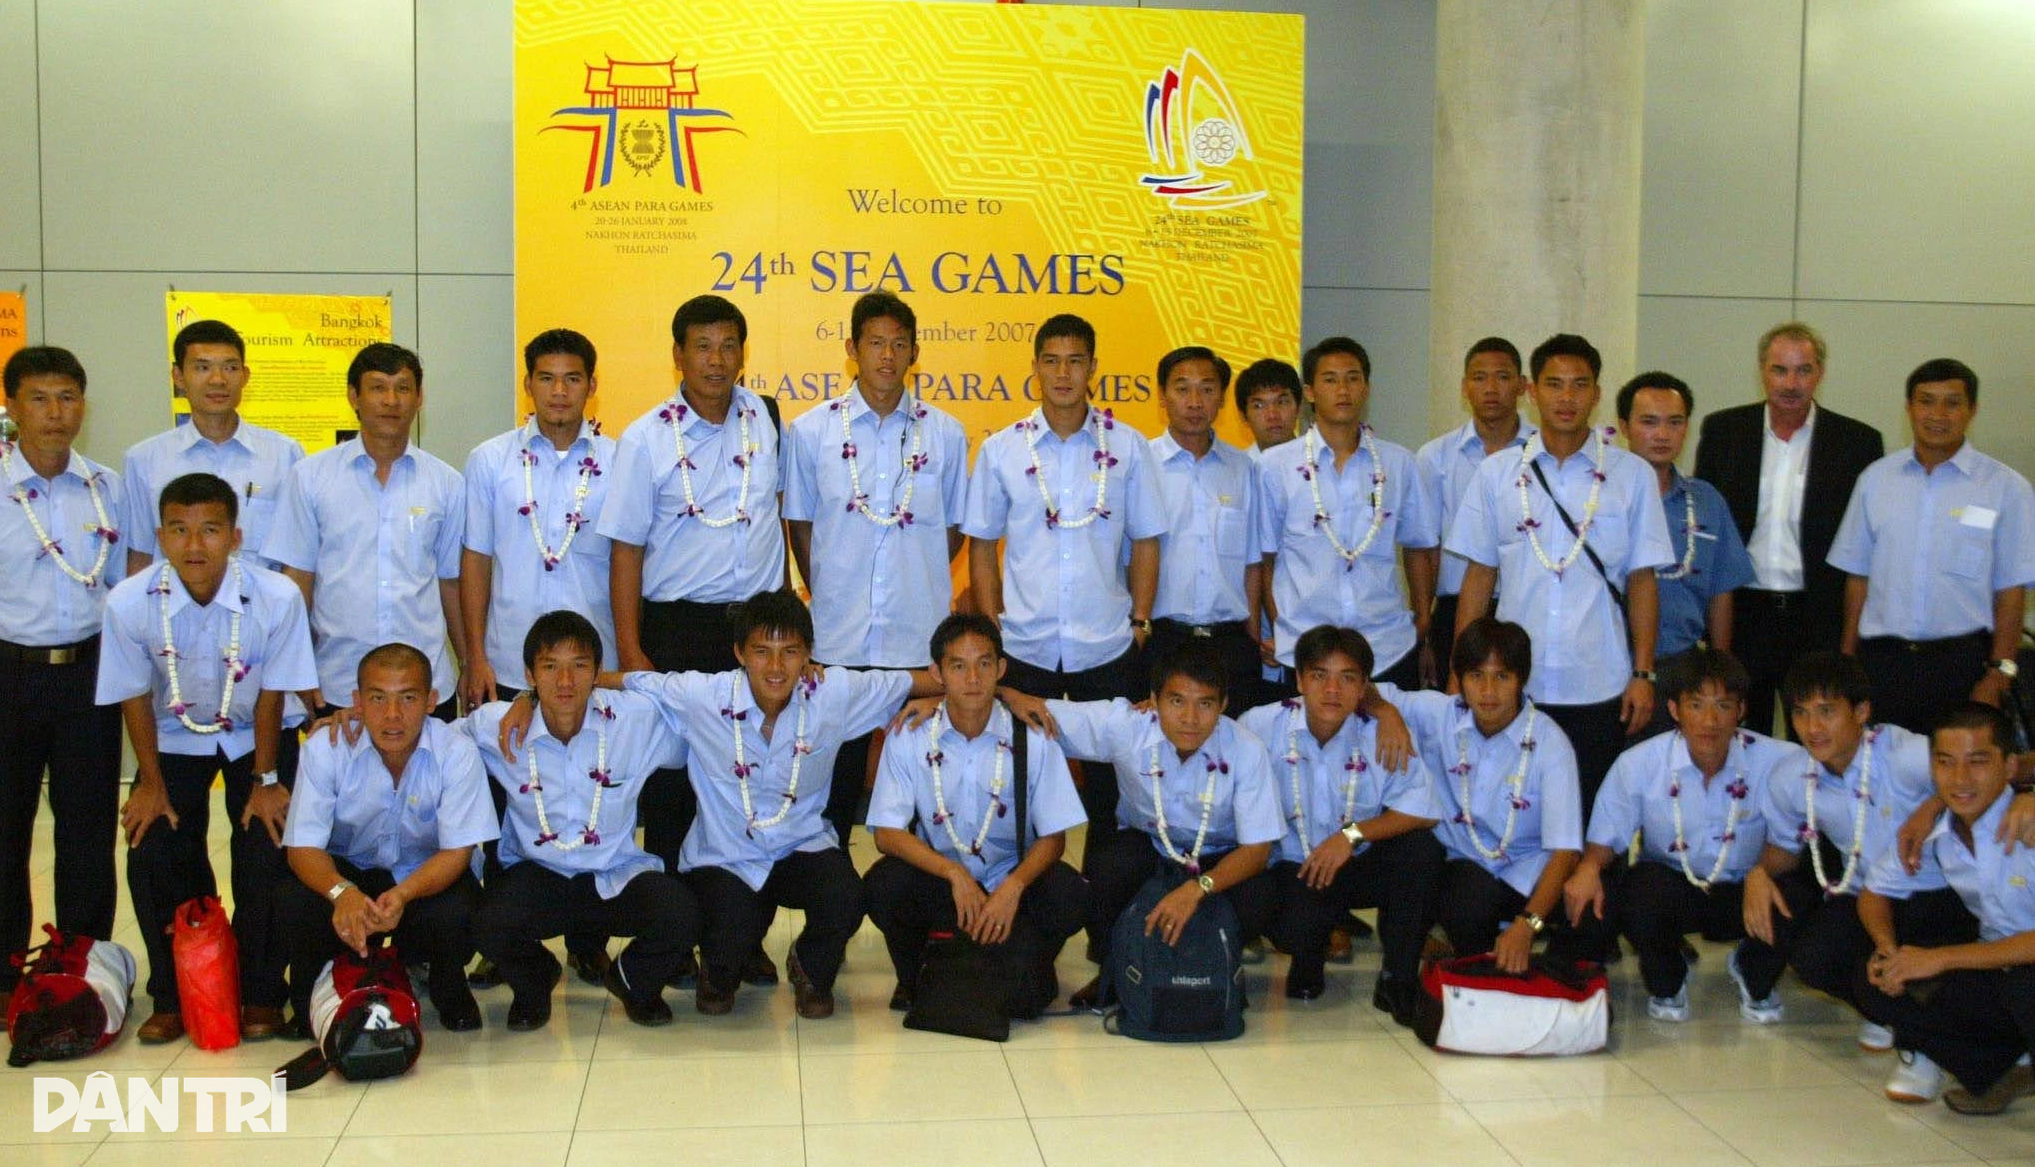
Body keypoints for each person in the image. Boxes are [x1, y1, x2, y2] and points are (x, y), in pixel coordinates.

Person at [527, 591, 937, 1018]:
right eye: (761, 652)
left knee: (846, 896)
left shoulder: (833, 691)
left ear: (808, 655)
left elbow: (927, 681)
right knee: (726, 950)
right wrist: (528, 699)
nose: (775, 667)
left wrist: (944, 699)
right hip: (725, 855)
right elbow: (620, 681)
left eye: (789, 652)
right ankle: (718, 971)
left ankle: (811, 968)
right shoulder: (702, 694)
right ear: (739, 652)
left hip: (802, 844)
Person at [100, 472, 320, 1043]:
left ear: (236, 536)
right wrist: (150, 783)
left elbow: (272, 694)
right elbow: (133, 695)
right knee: (153, 844)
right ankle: (176, 992)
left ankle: (261, 992)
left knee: (269, 845)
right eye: (179, 530)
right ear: (160, 537)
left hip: (256, 735)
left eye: (210, 530)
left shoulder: (276, 597)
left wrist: (266, 780)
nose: (195, 545)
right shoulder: (129, 602)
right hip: (172, 737)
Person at [963, 313, 1166, 928]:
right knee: (1019, 792)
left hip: (1107, 647)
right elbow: (982, 547)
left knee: (1110, 801)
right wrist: (993, 631)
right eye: (1050, 360)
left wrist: (1140, 621)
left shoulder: (1128, 448)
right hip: (1024, 649)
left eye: (1075, 360)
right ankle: (1026, 927)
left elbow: (1147, 541)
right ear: (1034, 369)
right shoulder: (1002, 450)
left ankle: (1106, 932)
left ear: (1093, 368)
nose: (1062, 373)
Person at [597, 295, 785, 888]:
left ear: (743, 354)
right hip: (676, 630)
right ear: (678, 355)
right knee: (673, 784)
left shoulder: (768, 419)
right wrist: (631, 652)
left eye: (728, 346)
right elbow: (625, 552)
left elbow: (778, 519)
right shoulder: (645, 438)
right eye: (702, 347)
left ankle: (737, 914)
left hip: (753, 630)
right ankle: (673, 917)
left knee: (745, 775)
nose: (716, 360)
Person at [1448, 333, 1674, 807]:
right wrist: (1460, 672)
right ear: (1532, 392)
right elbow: (1478, 579)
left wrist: (1644, 673)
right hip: (1512, 684)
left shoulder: (1632, 476)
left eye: (1579, 385)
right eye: (1554, 384)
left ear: (1596, 393)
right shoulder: (1497, 474)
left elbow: (1642, 581)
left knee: (1591, 814)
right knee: (1512, 812)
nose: (1566, 397)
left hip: (1600, 682)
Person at [1742, 652, 1979, 1101]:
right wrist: (1758, 873)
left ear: (1862, 711)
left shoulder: (1905, 754)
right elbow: (1784, 850)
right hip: (1862, 893)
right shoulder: (1792, 777)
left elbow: (1981, 777)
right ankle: (1890, 1012)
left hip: (1935, 893)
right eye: (1801, 713)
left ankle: (1922, 1048)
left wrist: (1932, 806)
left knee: (1899, 969)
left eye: (1826, 711)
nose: (1813, 728)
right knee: (1813, 957)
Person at [1004, 639, 1284, 1011]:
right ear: (1154, 699)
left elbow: (1258, 849)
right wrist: (1002, 692)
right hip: (1150, 847)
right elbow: (1040, 711)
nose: (1190, 718)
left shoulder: (1247, 749)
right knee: (1108, 865)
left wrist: (1197, 888)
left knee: (1260, 894)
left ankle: (1215, 969)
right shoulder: (1128, 727)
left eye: (1205, 704)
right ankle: (1114, 972)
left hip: (1218, 858)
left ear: (1223, 705)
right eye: (1177, 701)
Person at [785, 291, 968, 855]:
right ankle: (830, 895)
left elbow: (954, 530)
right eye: (875, 343)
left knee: (923, 785)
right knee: (832, 792)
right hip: (839, 637)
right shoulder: (810, 432)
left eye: (899, 344)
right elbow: (800, 525)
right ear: (852, 349)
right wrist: (831, 588)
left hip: (917, 636)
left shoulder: (947, 434)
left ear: (915, 352)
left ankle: (922, 894)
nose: (887, 356)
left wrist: (917, 577)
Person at [468, 612, 702, 1030]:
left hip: (613, 873)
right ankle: (535, 980)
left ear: (597, 672)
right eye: (549, 666)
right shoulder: (499, 725)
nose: (565, 681)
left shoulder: (631, 720)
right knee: (485, 922)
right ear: (529, 675)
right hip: (538, 873)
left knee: (682, 913)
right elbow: (435, 741)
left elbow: (698, 715)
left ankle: (632, 980)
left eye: (579, 665)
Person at [1565, 649, 1806, 1023]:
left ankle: (1751, 969)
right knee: (1638, 889)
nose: (1710, 721)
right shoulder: (1640, 762)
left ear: (1741, 710)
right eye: (1696, 705)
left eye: (1723, 706)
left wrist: (1761, 873)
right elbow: (1605, 837)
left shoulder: (1779, 761)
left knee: (1796, 893)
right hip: (1675, 887)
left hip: (1746, 889)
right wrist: (1589, 867)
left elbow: (1790, 845)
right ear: (1674, 710)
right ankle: (1668, 977)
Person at [864, 613, 1088, 1015]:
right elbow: (886, 834)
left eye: (984, 664)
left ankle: (1028, 962)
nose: (972, 679)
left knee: (1068, 893)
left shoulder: (1032, 733)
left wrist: (1014, 886)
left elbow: (1054, 838)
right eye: (958, 666)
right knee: (885, 885)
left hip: (1009, 878)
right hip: (941, 881)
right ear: (937, 673)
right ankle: (915, 975)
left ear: (1001, 669)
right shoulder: (910, 734)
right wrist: (953, 874)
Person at [279, 643, 494, 1032]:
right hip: (350, 873)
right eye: (378, 698)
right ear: (357, 702)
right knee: (295, 897)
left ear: (431, 701)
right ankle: (312, 992)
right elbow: (302, 847)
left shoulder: (456, 753)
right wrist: (342, 893)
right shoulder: (326, 749)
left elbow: (457, 853)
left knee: (462, 907)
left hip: (419, 879)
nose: (392, 715)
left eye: (408, 698)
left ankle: (445, 983)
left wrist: (403, 896)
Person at [1241, 625, 1443, 1019]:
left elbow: (1424, 809)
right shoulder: (1259, 726)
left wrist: (1351, 835)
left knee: (1422, 852)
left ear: (1364, 686)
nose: (1332, 690)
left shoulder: (1383, 733)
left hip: (1356, 862)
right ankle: (1309, 957)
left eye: (1347, 678)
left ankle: (1397, 978)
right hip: (1291, 866)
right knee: (1292, 919)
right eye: (1319, 676)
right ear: (1299, 680)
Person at [0, 346, 124, 990]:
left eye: (68, 398)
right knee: (6, 832)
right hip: (9, 673)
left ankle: (81, 969)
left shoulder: (107, 487)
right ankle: (3, 977)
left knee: (87, 831)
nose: (56, 413)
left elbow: (127, 586)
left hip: (89, 675)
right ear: (13, 407)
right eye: (40, 399)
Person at [1829, 358, 2035, 734]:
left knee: (1959, 769)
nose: (1938, 414)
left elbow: (2012, 590)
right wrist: (1848, 662)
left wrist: (2000, 672)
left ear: (1972, 410)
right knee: (1880, 766)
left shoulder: (2007, 489)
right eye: (1926, 401)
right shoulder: (1875, 480)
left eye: (1952, 403)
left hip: (1963, 666)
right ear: (1909, 407)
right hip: (1881, 665)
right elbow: (1858, 578)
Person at [1694, 323, 1882, 735]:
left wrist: (1848, 645)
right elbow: (1706, 531)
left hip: (1818, 618)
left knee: (1817, 740)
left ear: (1820, 373)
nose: (1791, 383)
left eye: (1803, 370)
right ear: (1762, 371)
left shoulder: (1858, 443)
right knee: (1741, 738)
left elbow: (1863, 550)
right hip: (1742, 615)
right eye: (1780, 370)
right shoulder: (1724, 432)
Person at [1375, 618, 1590, 977]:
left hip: (1528, 872)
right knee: (1465, 897)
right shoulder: (1440, 715)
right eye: (1476, 676)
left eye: (1501, 676)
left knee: (1595, 907)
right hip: (1465, 873)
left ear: (1521, 679)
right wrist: (1386, 713)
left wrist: (1528, 924)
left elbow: (1565, 851)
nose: (1488, 691)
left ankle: (1543, 966)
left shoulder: (1551, 743)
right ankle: (1469, 959)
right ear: (1459, 678)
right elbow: (1365, 689)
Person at [266, 343, 466, 719]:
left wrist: (468, 663)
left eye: (403, 388)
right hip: (338, 680)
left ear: (419, 398)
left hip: (426, 685)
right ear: (353, 396)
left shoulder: (447, 483)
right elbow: (297, 582)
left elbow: (451, 583)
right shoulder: (310, 477)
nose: (391, 400)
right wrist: (295, 668)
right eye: (377, 388)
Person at [1858, 703, 2035, 1116]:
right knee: (1878, 984)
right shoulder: (1936, 831)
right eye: (1945, 762)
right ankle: (2009, 1067)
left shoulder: (2027, 821)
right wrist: (1888, 950)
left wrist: (1939, 958)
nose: (1960, 778)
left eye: (1978, 762)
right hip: (2000, 965)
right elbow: (1873, 892)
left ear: (2010, 766)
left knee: (2024, 988)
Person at [1258, 337, 1438, 695]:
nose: (1343, 390)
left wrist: (1422, 622)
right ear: (1310, 392)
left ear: (1366, 389)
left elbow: (1419, 547)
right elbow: (1264, 558)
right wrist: (1279, 626)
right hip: (1305, 649)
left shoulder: (1398, 463)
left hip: (1387, 646)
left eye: (1353, 378)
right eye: (1330, 380)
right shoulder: (1275, 466)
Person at [1616, 372, 1754, 723]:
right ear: (1624, 426)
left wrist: (1719, 672)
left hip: (1684, 666)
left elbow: (1721, 591)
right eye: (1649, 422)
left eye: (1674, 422)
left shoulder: (1707, 500)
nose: (1663, 434)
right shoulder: (1600, 498)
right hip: (1611, 665)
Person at [121, 319, 305, 573]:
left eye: (230, 368)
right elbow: (140, 554)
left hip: (260, 598)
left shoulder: (285, 455)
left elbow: (297, 557)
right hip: (174, 598)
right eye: (202, 367)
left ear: (245, 376)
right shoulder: (144, 460)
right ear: (178, 377)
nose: (218, 380)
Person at [1146, 345, 1264, 710]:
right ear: (1163, 396)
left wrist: (1254, 635)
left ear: (1222, 398)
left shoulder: (1243, 469)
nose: (1195, 402)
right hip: (1162, 640)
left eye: (1207, 389)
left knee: (1238, 740)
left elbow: (1252, 562)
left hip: (1230, 644)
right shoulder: (1141, 464)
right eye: (1182, 389)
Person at [1417, 338, 1534, 686]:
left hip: (1524, 607)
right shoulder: (1435, 457)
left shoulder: (1542, 453)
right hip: (1454, 610)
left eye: (1502, 377)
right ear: (1464, 387)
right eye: (1479, 378)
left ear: (1522, 386)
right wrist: (1424, 631)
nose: (1491, 388)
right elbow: (1425, 548)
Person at [1235, 357, 1301, 462]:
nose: (1272, 415)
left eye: (1281, 402)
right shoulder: (1238, 468)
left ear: (1298, 408)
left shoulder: (1322, 462)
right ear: (1243, 415)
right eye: (1259, 406)